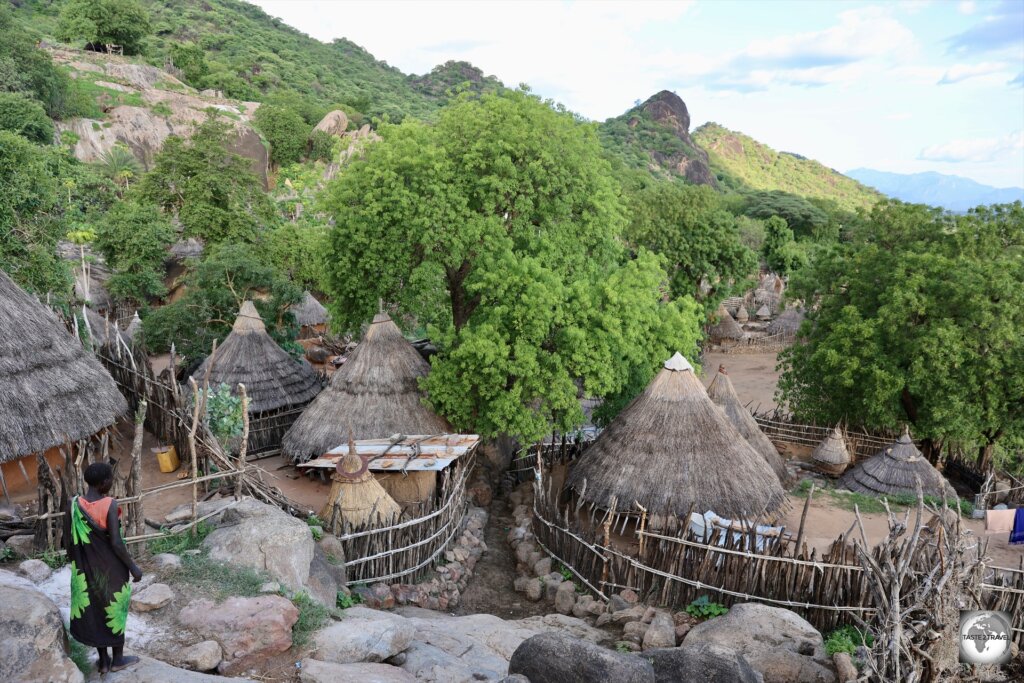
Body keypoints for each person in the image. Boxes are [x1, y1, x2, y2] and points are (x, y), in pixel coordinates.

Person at [63, 462, 143, 674]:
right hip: (111, 568)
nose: (111, 483)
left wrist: (79, 564)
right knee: (115, 609)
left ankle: (104, 661)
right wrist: (133, 567)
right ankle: (117, 659)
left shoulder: (72, 504)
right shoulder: (108, 503)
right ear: (104, 483)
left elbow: (68, 541)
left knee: (95, 609)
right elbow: (116, 543)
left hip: (85, 569)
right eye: (111, 480)